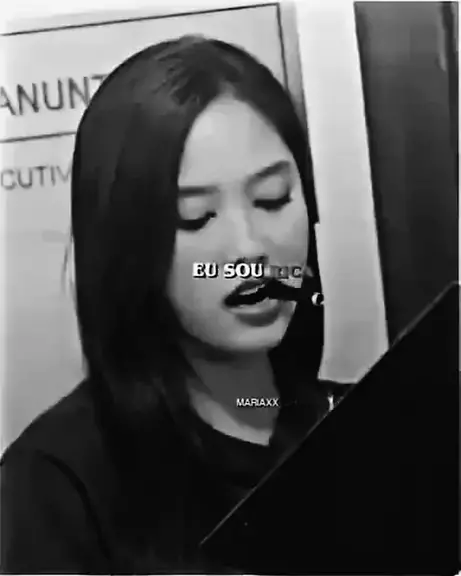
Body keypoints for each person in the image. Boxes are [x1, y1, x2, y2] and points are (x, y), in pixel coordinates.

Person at [0, 35, 349, 574]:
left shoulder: (364, 427)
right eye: (196, 218)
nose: (249, 249)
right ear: (126, 245)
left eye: (272, 199)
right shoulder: (56, 484)